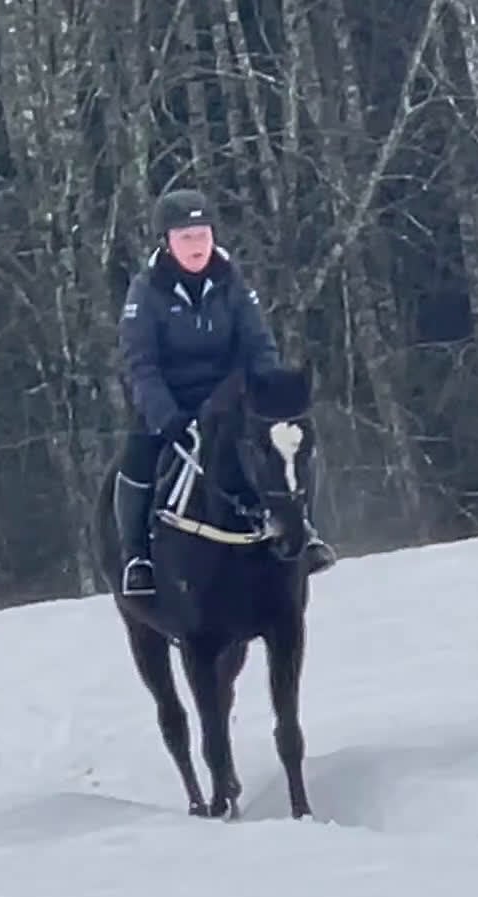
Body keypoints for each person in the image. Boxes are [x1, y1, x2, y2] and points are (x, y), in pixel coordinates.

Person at [113, 188, 337, 596]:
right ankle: (137, 556)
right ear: (167, 242)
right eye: (186, 237)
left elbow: (258, 344)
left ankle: (303, 527)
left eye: (202, 235)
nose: (196, 246)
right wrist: (167, 418)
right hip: (172, 404)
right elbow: (140, 364)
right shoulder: (146, 292)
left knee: (290, 442)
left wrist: (270, 395)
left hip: (231, 402)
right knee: (136, 457)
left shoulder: (231, 282)